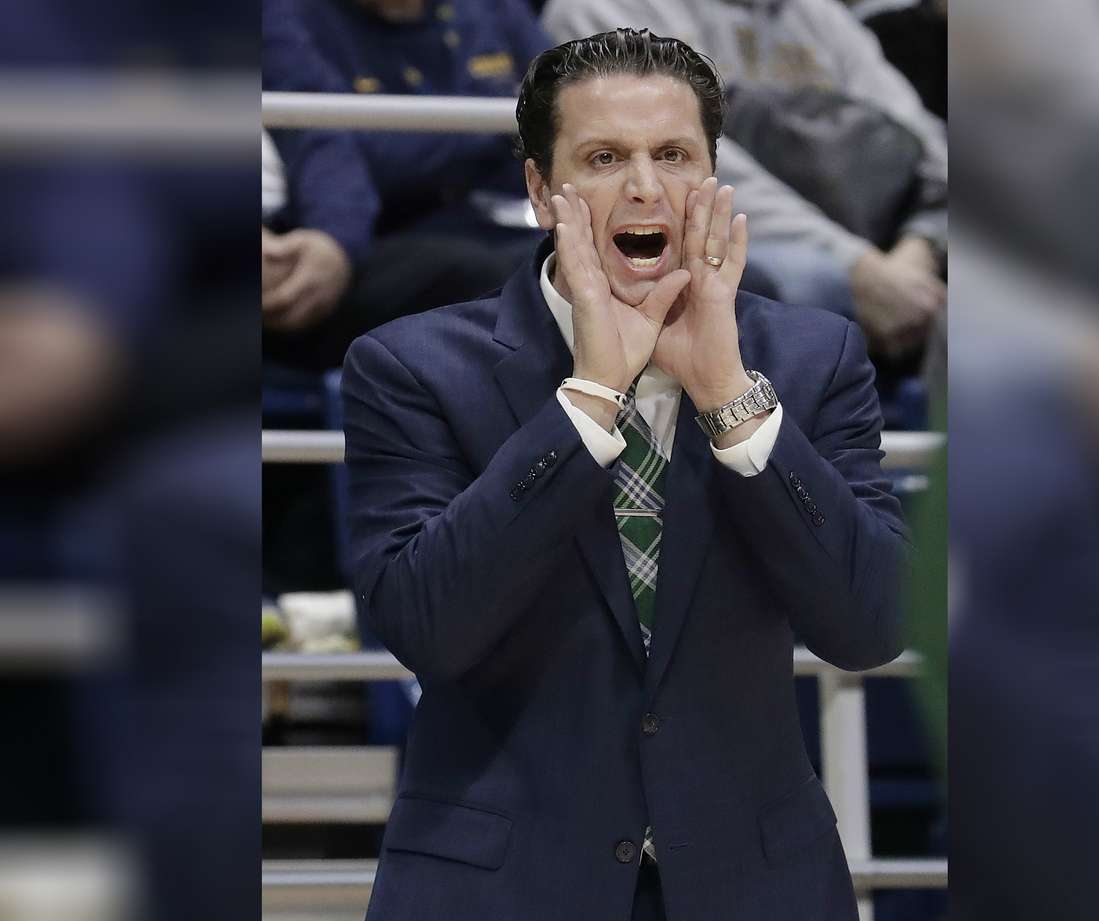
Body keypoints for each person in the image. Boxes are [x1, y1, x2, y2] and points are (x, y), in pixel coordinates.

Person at [343, 29, 907, 921]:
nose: (645, 186)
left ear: (713, 178)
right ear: (539, 191)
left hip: (754, 884)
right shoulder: (411, 369)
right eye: (604, 156)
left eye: (674, 154)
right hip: (501, 888)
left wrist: (727, 396)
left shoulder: (808, 358)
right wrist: (591, 398)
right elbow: (427, 628)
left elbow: (871, 623)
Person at [543, 0, 948, 365]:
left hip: (888, 247)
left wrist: (920, 248)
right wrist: (856, 265)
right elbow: (685, 173)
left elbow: (931, 149)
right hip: (696, 237)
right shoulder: (602, 11)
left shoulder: (822, 18)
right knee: (810, 280)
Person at [262, 0, 554, 369]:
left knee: (591, 259)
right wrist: (496, 124)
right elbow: (336, 145)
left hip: (507, 225)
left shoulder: (494, 8)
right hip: (378, 241)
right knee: (511, 275)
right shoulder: (286, 18)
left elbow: (563, 113)